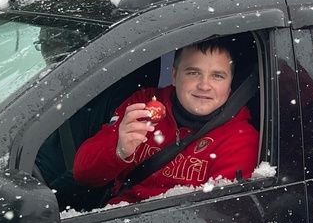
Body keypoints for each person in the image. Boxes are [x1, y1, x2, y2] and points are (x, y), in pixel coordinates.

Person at [73, 38, 259, 204]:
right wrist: (118, 151)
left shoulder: (239, 138)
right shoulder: (143, 105)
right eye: (193, 73)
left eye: (217, 76)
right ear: (174, 75)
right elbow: (83, 174)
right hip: (115, 218)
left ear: (229, 84)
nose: (204, 85)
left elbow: (221, 212)